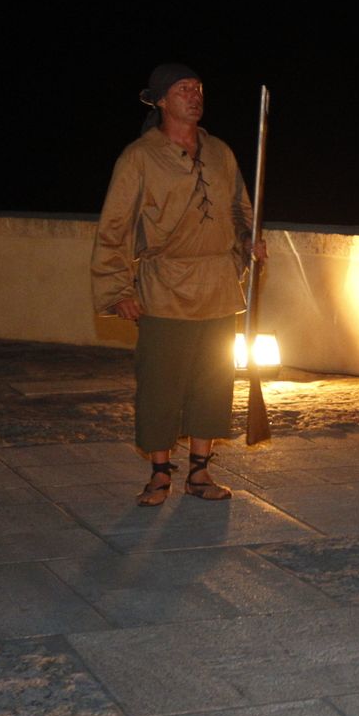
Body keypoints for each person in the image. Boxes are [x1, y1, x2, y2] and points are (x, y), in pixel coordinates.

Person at [91, 63, 265, 506]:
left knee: (213, 383)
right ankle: (159, 474)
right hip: (165, 287)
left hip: (218, 287)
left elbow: (241, 210)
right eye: (183, 89)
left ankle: (201, 473)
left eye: (198, 88)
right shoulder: (139, 157)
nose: (194, 95)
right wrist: (117, 290)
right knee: (160, 386)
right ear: (162, 101)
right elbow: (114, 228)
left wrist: (249, 240)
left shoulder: (221, 152)